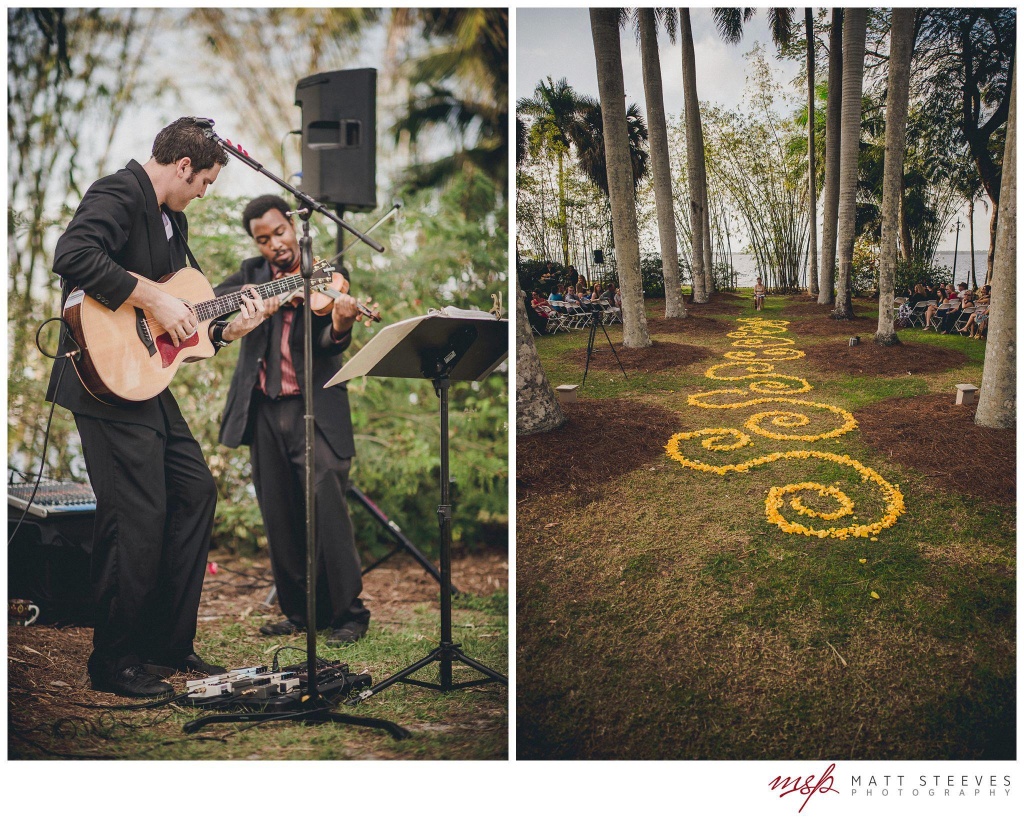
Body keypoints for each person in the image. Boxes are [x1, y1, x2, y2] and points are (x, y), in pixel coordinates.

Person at [45, 118, 270, 697]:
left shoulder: (175, 219)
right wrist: (152, 296)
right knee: (134, 514)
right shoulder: (119, 192)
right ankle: (114, 661)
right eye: (207, 182)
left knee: (195, 489)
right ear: (184, 166)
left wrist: (226, 331)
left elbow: (181, 327)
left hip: (144, 381)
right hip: (102, 376)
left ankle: (166, 644)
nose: (205, 192)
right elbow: (72, 254)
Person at [214, 195, 370, 646]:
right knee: (278, 514)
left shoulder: (321, 274)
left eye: (278, 233)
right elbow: (211, 303)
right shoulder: (251, 274)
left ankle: (350, 614)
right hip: (263, 409)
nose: (274, 246)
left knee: (327, 511)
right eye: (263, 240)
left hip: (315, 409)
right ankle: (302, 614)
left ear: (293, 226)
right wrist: (256, 301)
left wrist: (341, 325)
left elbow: (328, 340)